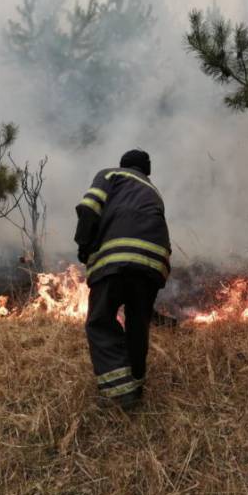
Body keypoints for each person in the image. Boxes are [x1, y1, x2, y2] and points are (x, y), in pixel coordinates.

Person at [74, 149, 171, 409]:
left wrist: (84, 246)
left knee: (100, 321)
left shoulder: (110, 174)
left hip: (115, 259)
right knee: (137, 325)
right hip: (153, 265)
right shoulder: (153, 191)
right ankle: (137, 384)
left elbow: (89, 207)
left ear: (123, 164)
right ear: (147, 170)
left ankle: (121, 394)